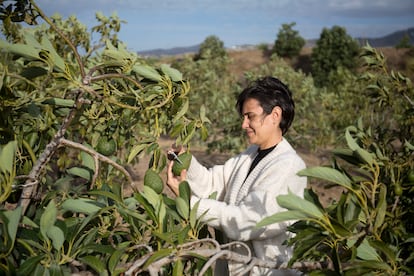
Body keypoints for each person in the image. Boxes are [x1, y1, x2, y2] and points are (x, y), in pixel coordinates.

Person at [167, 76, 307, 275]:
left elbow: (248, 220)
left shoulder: (288, 166)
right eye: (243, 117)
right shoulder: (250, 155)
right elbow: (213, 184)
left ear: (275, 115)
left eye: (250, 116)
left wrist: (189, 204)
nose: (244, 124)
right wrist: (185, 163)